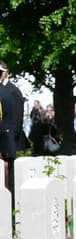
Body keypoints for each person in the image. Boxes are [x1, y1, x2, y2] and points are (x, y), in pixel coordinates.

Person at [0, 61, 28, 194]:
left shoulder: (13, 91)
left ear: (6, 72)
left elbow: (16, 121)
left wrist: (8, 140)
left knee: (8, 178)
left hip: (8, 140)